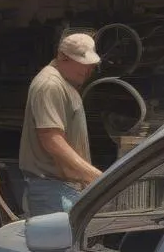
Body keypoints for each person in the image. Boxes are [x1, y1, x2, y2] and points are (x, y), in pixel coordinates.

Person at [19, 32, 103, 217]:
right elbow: (51, 139)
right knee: (57, 245)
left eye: (91, 64)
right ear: (63, 57)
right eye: (83, 64)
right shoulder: (50, 85)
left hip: (61, 189)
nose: (88, 69)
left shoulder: (64, 83)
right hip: (52, 190)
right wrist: (95, 176)